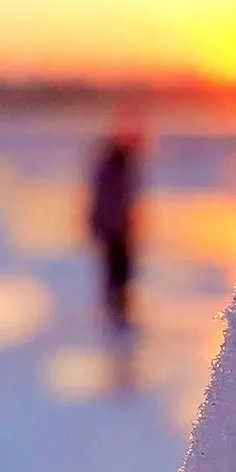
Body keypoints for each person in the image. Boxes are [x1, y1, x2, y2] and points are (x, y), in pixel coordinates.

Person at [88, 131, 141, 336]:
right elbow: (107, 202)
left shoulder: (117, 170)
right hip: (114, 230)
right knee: (117, 271)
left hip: (117, 229)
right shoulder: (114, 171)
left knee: (119, 271)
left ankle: (118, 308)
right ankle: (115, 309)